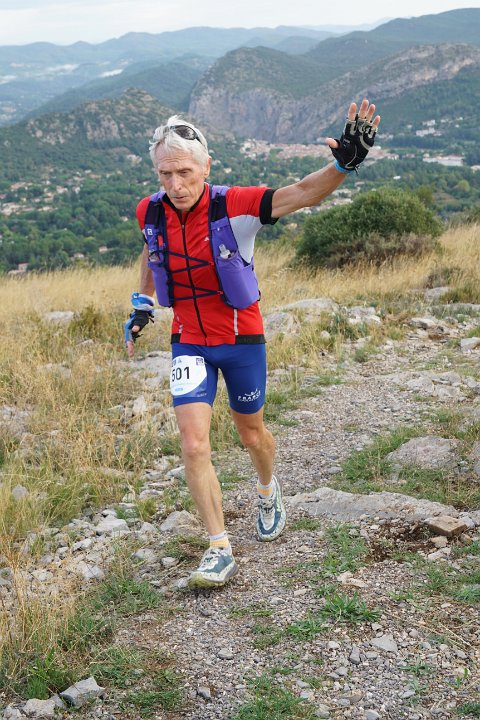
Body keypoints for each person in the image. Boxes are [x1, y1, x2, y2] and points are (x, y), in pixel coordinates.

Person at [125, 99, 380, 589]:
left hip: (242, 340)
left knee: (251, 434)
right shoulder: (150, 211)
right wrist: (142, 302)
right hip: (189, 342)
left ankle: (267, 489)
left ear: (206, 166)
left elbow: (302, 193)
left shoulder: (235, 205)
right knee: (193, 443)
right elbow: (151, 249)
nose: (174, 185)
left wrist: (343, 166)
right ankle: (218, 547)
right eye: (164, 174)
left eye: (184, 173)